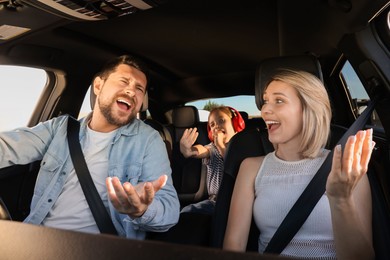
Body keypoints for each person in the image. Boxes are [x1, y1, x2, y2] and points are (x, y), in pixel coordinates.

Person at [0, 55, 180, 239]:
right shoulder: (60, 129)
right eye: (124, 81)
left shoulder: (148, 140)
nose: (132, 91)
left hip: (100, 250)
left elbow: (170, 210)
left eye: (139, 88)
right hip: (37, 240)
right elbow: (9, 146)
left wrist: (142, 210)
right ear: (98, 86)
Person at [223, 69, 375, 259]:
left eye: (279, 101)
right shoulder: (251, 168)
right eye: (265, 101)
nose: (264, 110)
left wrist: (340, 199)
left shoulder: (346, 167)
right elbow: (233, 246)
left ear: (309, 109)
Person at [179, 106, 245, 214]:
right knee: (186, 212)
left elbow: (233, 165)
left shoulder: (245, 147)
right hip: (216, 202)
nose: (217, 126)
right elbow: (201, 150)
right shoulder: (213, 148)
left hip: (240, 203)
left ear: (235, 124)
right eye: (212, 125)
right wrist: (189, 151)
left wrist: (221, 147)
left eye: (222, 120)